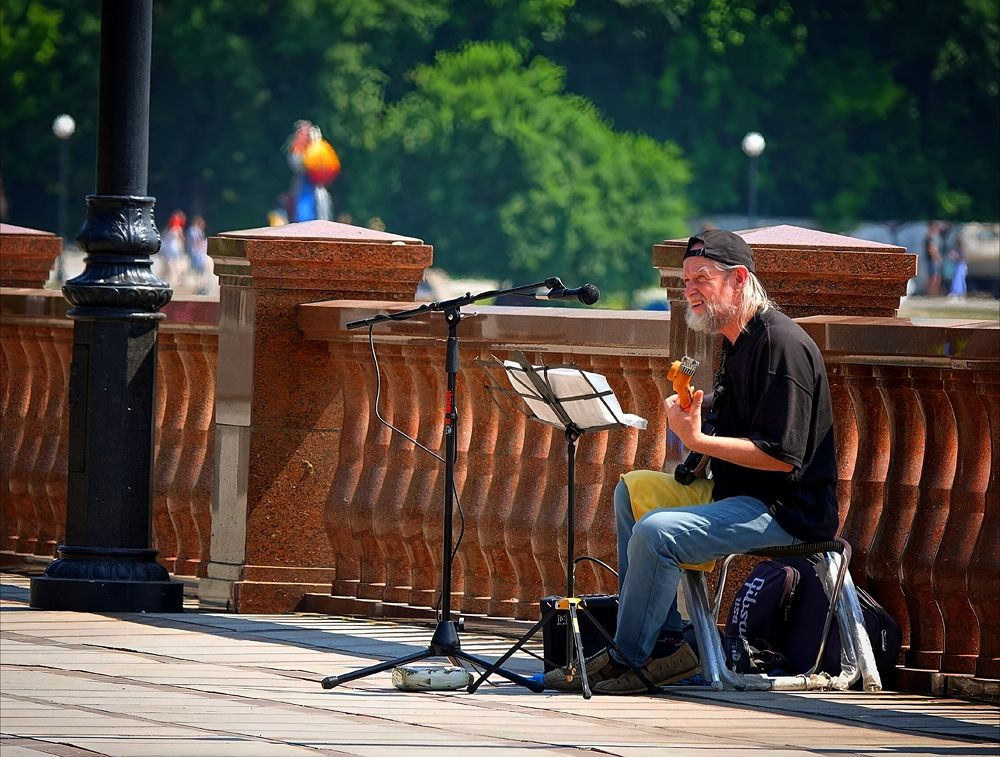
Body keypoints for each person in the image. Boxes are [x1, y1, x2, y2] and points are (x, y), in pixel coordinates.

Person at [543, 229, 838, 695]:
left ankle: (630, 659)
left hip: (785, 510)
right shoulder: (736, 342)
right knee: (632, 490)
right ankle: (668, 640)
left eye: (703, 278)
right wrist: (696, 437)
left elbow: (782, 458)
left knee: (658, 532)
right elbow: (727, 438)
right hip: (737, 493)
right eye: (686, 281)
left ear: (739, 280)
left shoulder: (781, 346)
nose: (691, 291)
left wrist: (697, 436)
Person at [924, 221, 943, 296]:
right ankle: (931, 292)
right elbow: (931, 250)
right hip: (932, 260)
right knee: (934, 276)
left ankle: (932, 292)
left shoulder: (931, 237)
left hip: (932, 260)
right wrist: (937, 258)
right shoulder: (930, 238)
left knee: (934, 276)